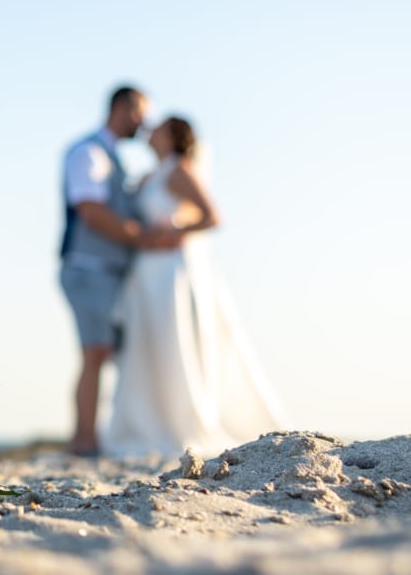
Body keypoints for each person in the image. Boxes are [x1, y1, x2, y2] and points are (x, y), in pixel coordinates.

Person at [102, 116, 288, 458]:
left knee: (176, 343)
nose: (151, 129)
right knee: (147, 346)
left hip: (170, 270)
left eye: (160, 127)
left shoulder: (179, 170)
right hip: (146, 273)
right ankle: (147, 422)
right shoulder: (149, 176)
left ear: (173, 136)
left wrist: (173, 229)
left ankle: (180, 423)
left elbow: (212, 215)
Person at [59, 86, 179, 456]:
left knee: (111, 353)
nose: (145, 124)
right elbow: (91, 210)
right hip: (90, 268)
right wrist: (139, 237)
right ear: (123, 109)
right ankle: (84, 441)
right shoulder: (90, 153)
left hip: (112, 273)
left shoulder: (115, 160)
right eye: (141, 113)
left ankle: (106, 435)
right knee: (95, 353)